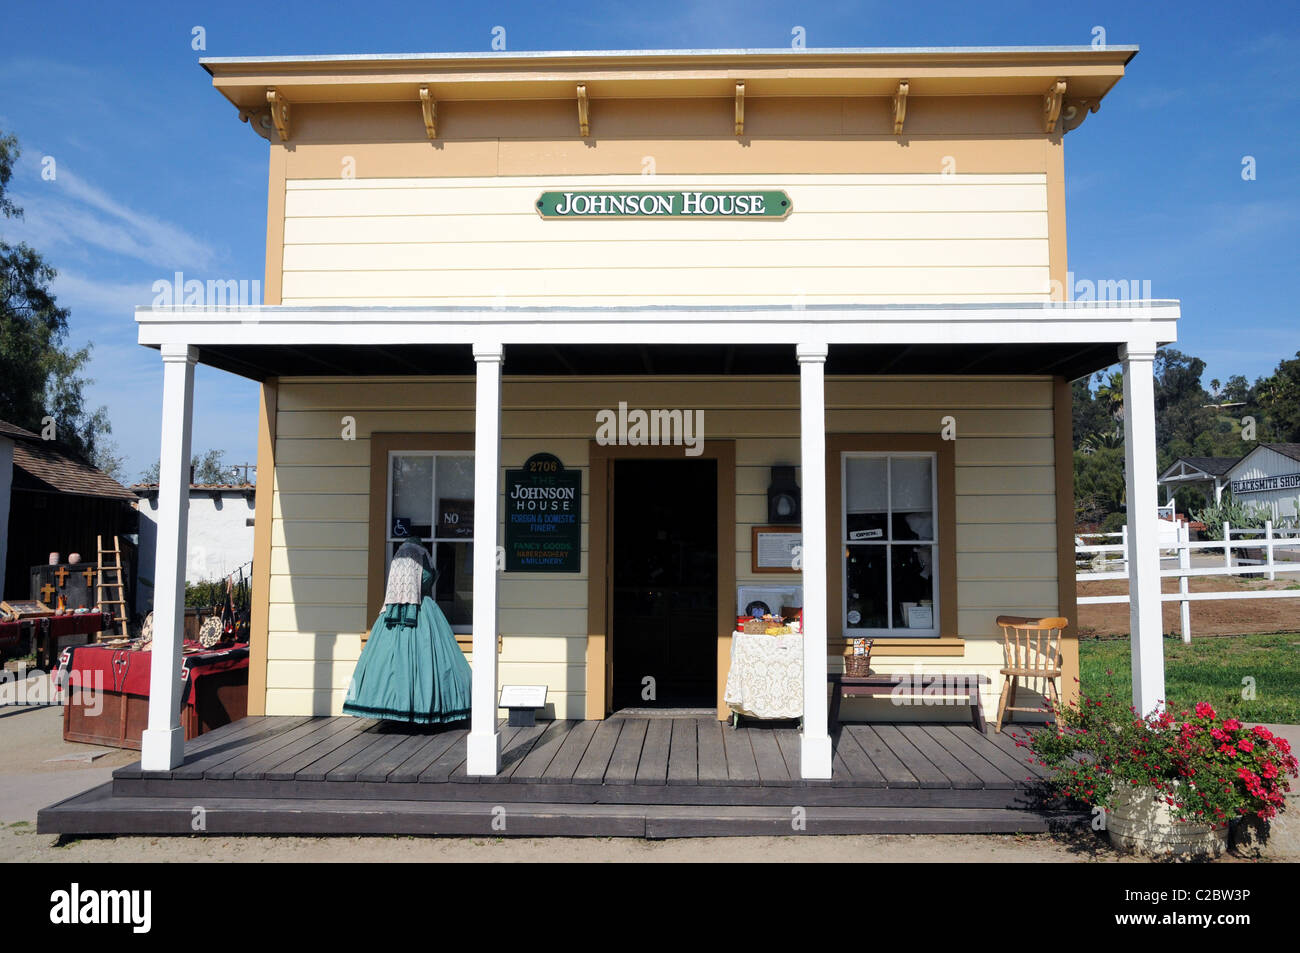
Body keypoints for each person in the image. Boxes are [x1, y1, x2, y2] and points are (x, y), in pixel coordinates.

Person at [343, 541, 471, 725]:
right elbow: (426, 578)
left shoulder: (402, 556)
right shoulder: (417, 553)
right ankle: (415, 707)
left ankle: (405, 708)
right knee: (423, 660)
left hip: (413, 611)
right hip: (422, 609)